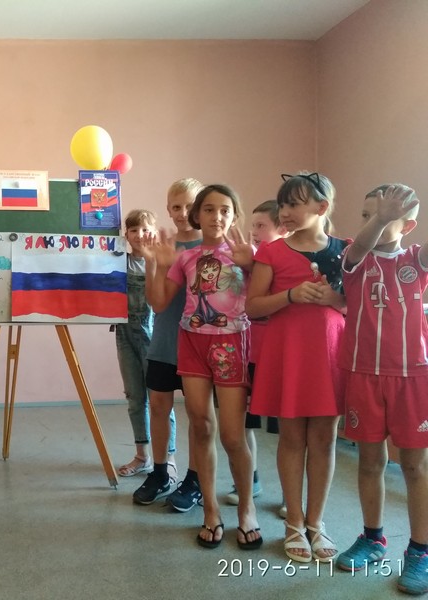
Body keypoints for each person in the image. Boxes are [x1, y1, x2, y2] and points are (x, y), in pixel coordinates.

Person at [145, 184, 261, 550]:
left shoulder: (247, 254)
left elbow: (261, 300)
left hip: (231, 344)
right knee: (201, 425)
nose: (217, 216)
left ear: (234, 215)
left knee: (232, 435)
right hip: (192, 344)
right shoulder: (187, 257)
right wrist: (158, 265)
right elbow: (159, 304)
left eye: (225, 210)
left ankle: (247, 509)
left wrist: (250, 264)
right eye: (209, 209)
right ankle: (210, 510)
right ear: (198, 215)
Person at [246, 172, 347, 563]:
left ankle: (316, 523)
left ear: (321, 207)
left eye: (294, 204)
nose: (285, 212)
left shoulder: (346, 250)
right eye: (283, 204)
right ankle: (293, 524)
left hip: (331, 354)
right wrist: (289, 295)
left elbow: (356, 303)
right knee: (291, 438)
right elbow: (253, 306)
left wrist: (335, 299)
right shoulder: (271, 252)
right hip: (289, 353)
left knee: (324, 439)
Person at [333, 184, 428, 595]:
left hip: (413, 376)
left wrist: (390, 217)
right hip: (363, 374)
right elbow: (359, 247)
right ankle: (373, 538)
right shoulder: (354, 258)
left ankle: (421, 551)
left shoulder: (415, 260)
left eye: (387, 214)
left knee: (415, 466)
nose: (374, 220)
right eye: (367, 214)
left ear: (409, 225)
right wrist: (381, 219)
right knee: (370, 461)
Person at [132, 179, 202, 509]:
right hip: (164, 340)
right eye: (176, 206)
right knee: (158, 407)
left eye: (190, 205)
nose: (183, 212)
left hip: (199, 345)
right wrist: (152, 262)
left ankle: (195, 479)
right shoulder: (164, 245)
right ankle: (160, 473)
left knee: (198, 414)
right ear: (168, 210)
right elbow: (155, 301)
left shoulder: (211, 245)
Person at [224, 200, 287, 515]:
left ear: (282, 229)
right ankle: (249, 481)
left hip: (277, 355)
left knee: (287, 430)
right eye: (253, 226)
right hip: (246, 351)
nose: (254, 232)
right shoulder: (246, 256)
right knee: (243, 423)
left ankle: (291, 495)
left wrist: (252, 265)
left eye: (261, 226)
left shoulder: (286, 261)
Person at [114, 209, 175, 479]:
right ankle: (142, 456)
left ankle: (169, 457)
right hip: (124, 336)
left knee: (160, 400)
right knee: (134, 397)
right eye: (134, 230)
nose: (140, 235)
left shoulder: (162, 262)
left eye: (145, 229)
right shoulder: (118, 261)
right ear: (126, 235)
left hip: (154, 337)